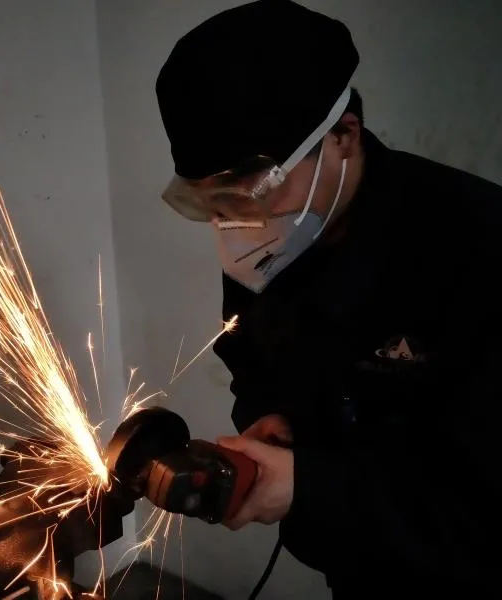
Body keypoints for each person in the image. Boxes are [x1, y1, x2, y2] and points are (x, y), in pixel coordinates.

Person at [154, 0, 501, 597]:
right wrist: (269, 417)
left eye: (253, 190)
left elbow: (486, 504)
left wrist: (310, 485)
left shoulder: (479, 249)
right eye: (213, 201)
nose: (236, 221)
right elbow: (248, 360)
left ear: (343, 135)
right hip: (353, 564)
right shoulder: (263, 239)